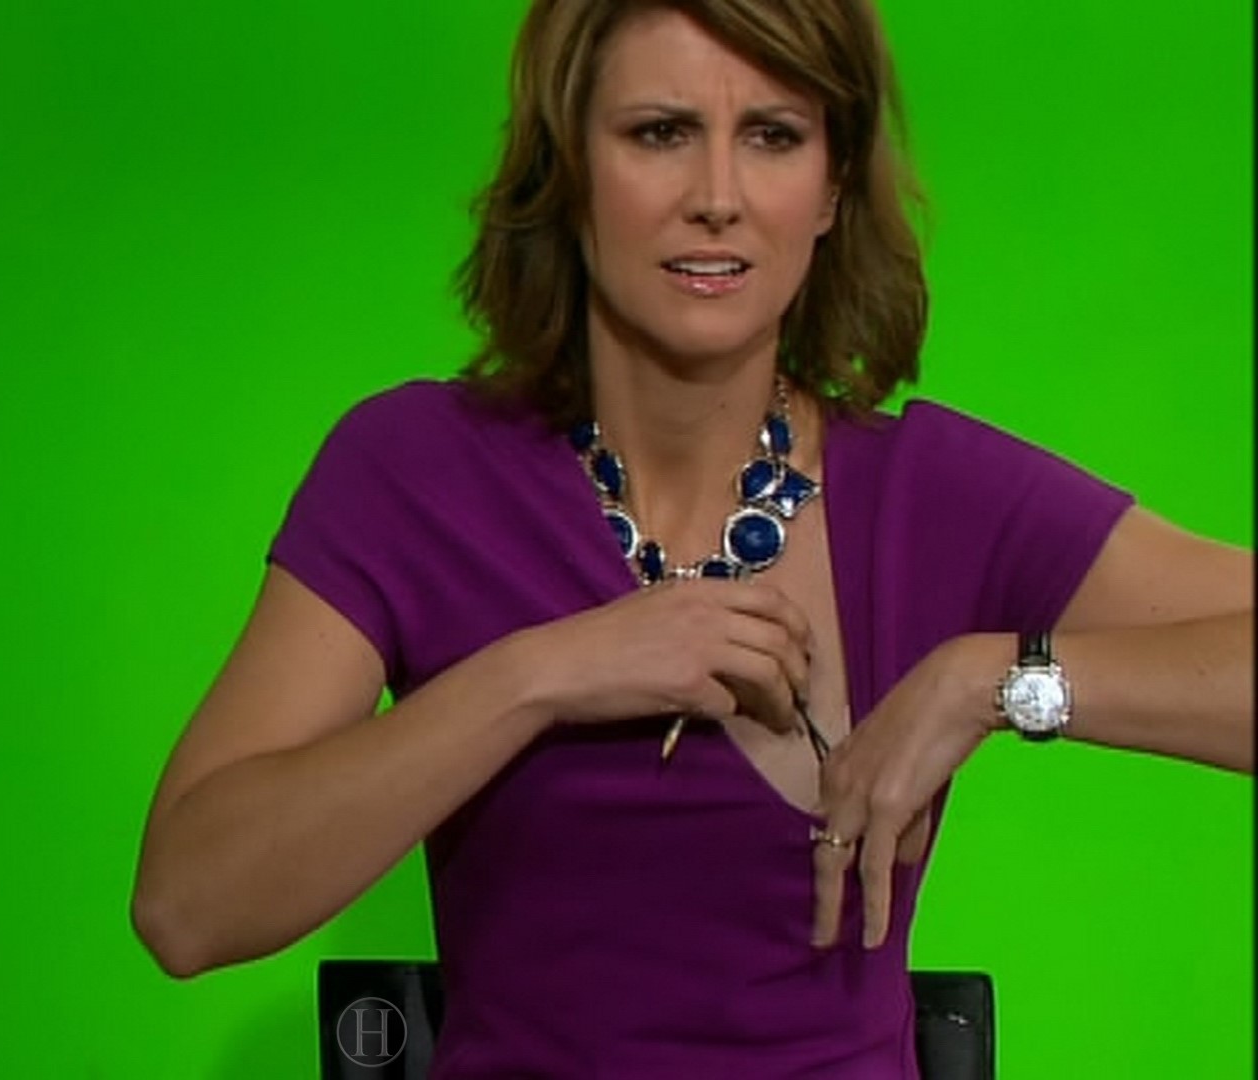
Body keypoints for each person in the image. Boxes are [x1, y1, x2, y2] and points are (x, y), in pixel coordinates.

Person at [130, 0, 1252, 1075]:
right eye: (660, 133)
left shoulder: (934, 494)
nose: (716, 197)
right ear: (569, 173)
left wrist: (993, 680)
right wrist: (541, 675)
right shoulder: (414, 471)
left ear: (830, 188)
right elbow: (188, 905)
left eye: (772, 136)